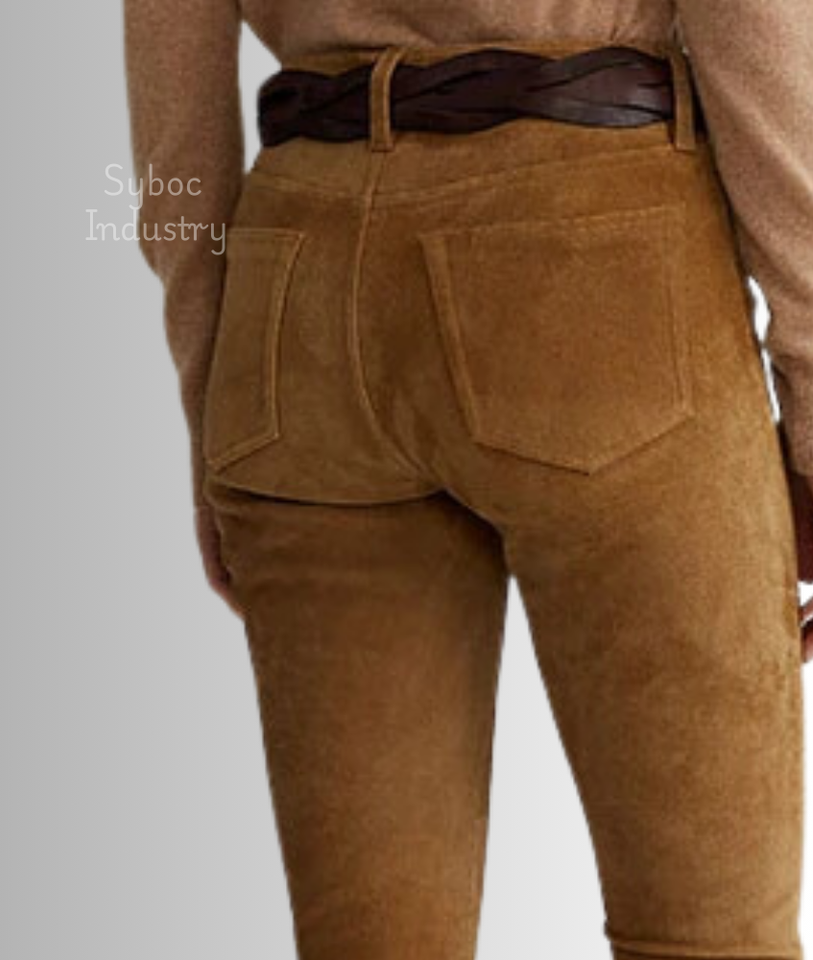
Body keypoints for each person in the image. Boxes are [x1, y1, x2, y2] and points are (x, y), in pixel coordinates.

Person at [124, 3, 813, 958]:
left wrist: (216, 410)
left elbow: (170, 129)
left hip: (301, 307)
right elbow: (758, 30)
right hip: (598, 272)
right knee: (708, 937)